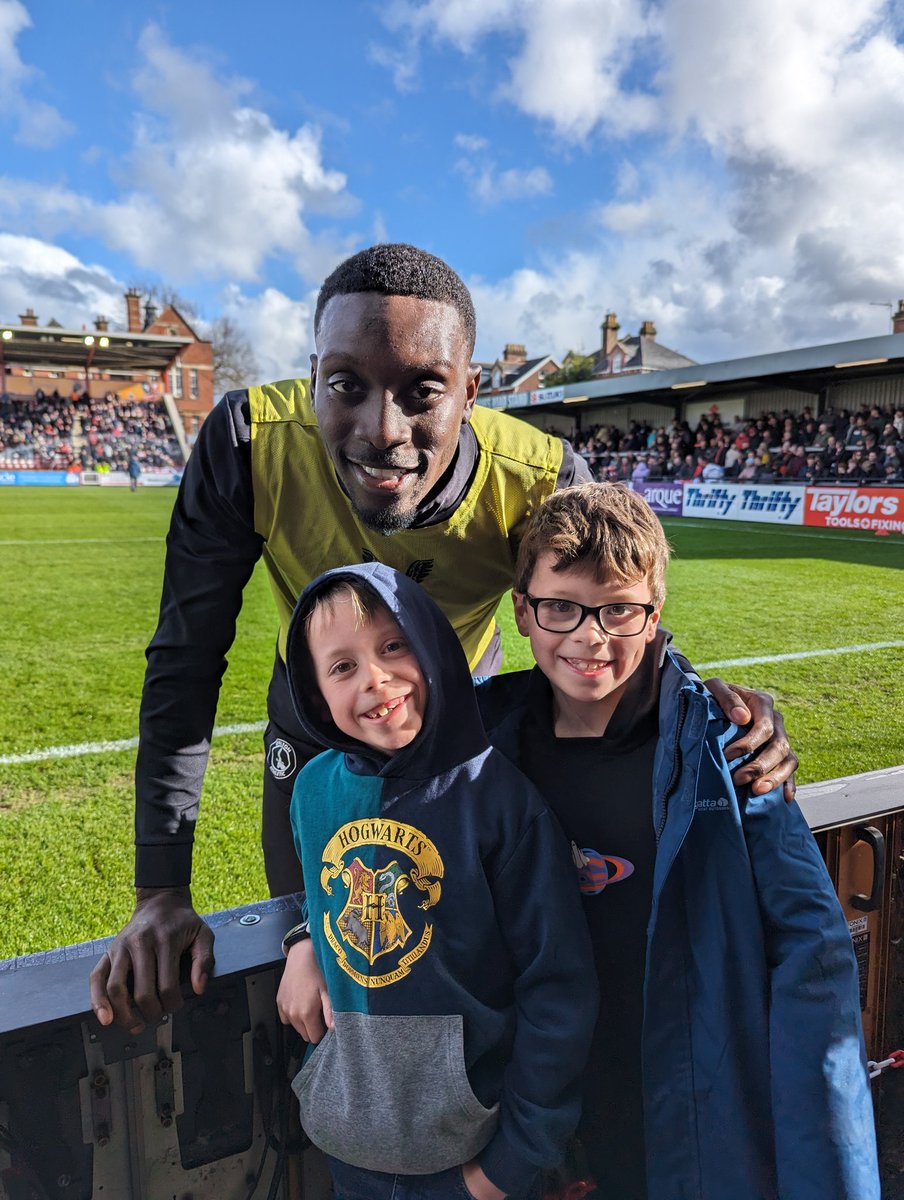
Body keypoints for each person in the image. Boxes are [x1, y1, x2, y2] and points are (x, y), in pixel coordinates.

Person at [90, 243, 796, 1034]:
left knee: (470, 951)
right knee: (322, 983)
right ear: (313, 370)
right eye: (345, 385)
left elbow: (606, 612)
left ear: (472, 389)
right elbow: (187, 658)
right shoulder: (249, 443)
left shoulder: (539, 475)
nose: (381, 431)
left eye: (423, 390)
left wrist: (714, 716)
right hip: (313, 720)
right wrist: (162, 892)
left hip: (465, 718)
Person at [475, 483, 880, 1200]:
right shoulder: (479, 745)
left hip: (680, 1112)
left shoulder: (728, 750)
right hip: (531, 1121)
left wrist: (833, 1175)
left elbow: (813, 955)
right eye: (560, 607)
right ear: (522, 613)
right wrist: (302, 938)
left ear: (655, 615)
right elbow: (340, 757)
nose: (589, 636)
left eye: (619, 610)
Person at [277, 562, 597, 1200]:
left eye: (394, 646)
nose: (375, 678)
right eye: (341, 667)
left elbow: (557, 989)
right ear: (314, 692)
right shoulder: (312, 789)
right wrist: (303, 938)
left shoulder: (498, 799)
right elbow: (329, 894)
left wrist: (508, 1168)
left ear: (432, 646)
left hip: (474, 1158)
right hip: (350, 1145)